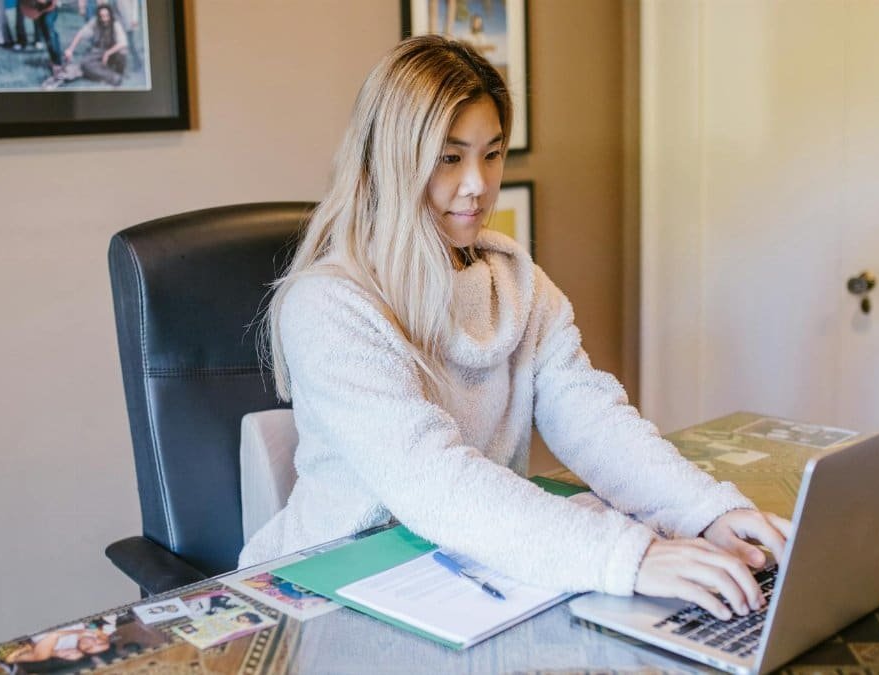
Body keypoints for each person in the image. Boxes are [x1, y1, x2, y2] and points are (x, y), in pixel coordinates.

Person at [238, 35, 792, 622]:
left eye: (492, 153)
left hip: (470, 560)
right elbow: (432, 478)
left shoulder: (516, 283)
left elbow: (593, 420)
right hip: (336, 585)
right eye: (451, 158)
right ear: (391, 159)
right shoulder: (329, 304)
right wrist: (627, 556)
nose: (478, 183)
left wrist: (704, 512)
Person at [62, 3, 128, 86]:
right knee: (85, 64)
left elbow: (123, 43)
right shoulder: (95, 21)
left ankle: (113, 74)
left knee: (123, 52)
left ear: (110, 15)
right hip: (99, 50)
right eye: (102, 16)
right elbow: (81, 34)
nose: (104, 19)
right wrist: (70, 49)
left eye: (107, 16)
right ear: (99, 16)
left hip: (113, 52)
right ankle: (111, 76)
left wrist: (108, 53)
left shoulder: (116, 24)